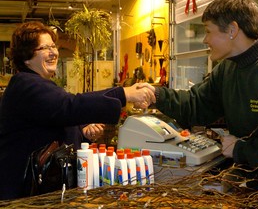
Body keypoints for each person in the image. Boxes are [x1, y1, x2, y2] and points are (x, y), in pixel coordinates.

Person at [143, 0, 258, 190]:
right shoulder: (226, 70)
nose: (205, 40)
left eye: (208, 31)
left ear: (232, 30)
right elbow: (196, 105)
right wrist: (155, 95)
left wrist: (240, 149)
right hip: (249, 185)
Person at [0, 21, 155, 200]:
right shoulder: (26, 84)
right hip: (23, 192)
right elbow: (69, 106)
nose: (53, 52)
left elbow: (55, 114)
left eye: (53, 46)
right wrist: (123, 94)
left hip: (36, 189)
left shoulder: (37, 83)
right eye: (45, 48)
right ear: (26, 56)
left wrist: (82, 130)